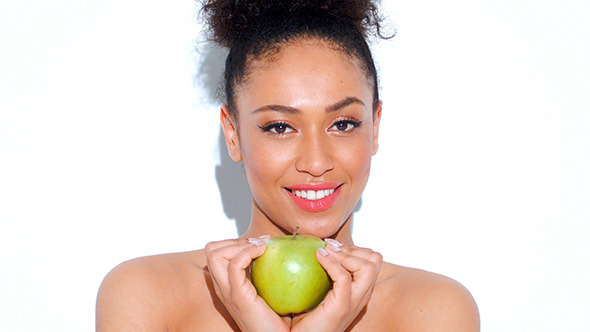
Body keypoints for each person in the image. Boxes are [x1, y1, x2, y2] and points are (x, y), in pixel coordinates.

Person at [96, 0, 480, 330]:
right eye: (280, 127)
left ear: (375, 128)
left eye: (343, 124)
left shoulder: (434, 310)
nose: (315, 162)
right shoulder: (145, 294)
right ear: (233, 134)